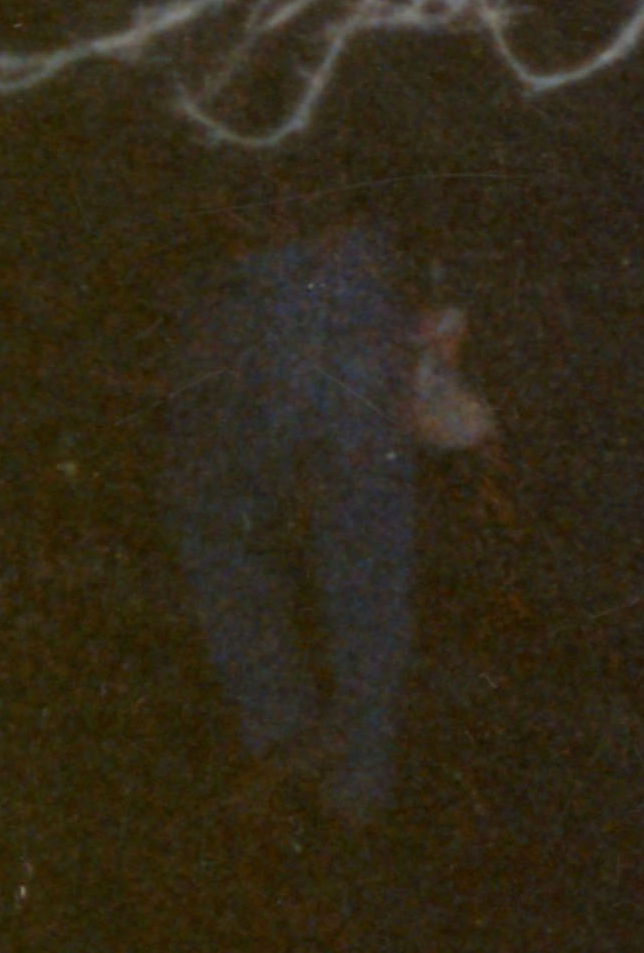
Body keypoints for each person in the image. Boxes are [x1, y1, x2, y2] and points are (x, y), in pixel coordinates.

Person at [168, 180, 448, 827]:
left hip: (308, 266)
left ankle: (326, 755)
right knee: (345, 545)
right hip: (307, 267)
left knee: (339, 540)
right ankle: (333, 760)